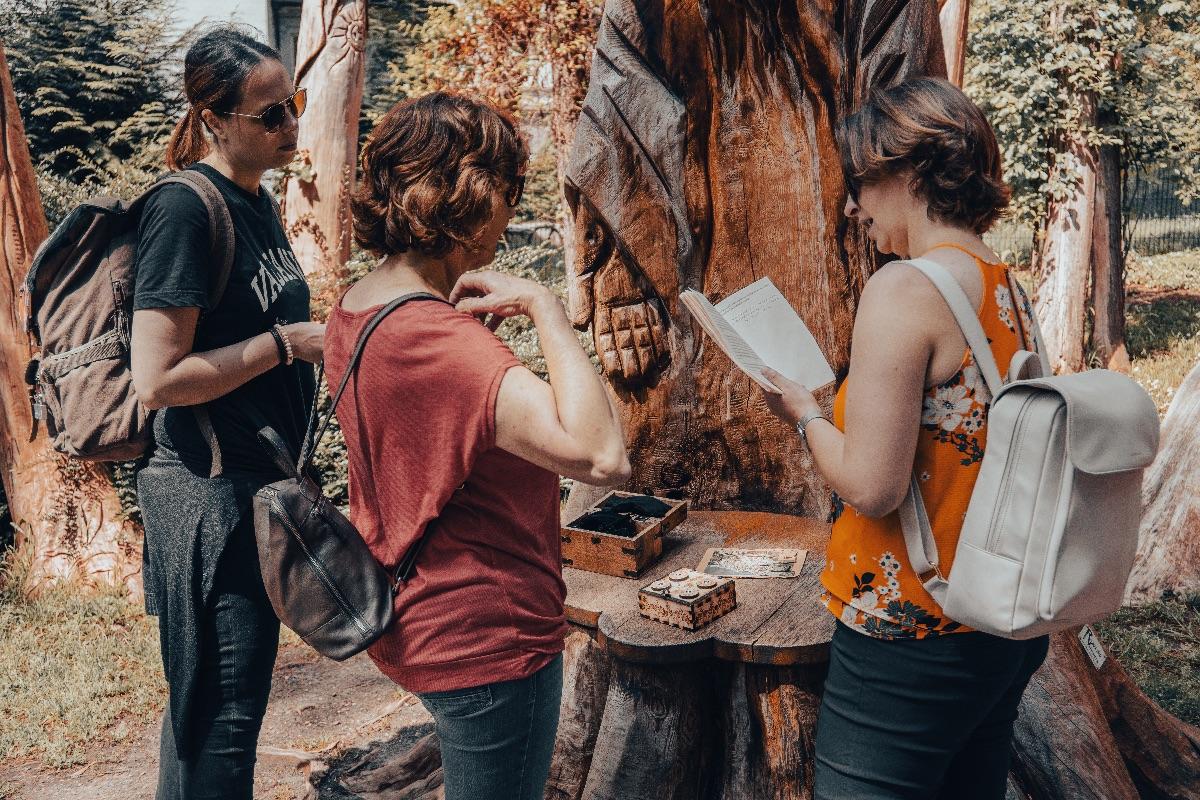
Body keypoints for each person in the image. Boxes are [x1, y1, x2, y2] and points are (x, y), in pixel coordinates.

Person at [326, 91, 630, 800]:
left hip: (415, 613)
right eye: (509, 188)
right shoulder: (442, 341)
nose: (511, 210)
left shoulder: (359, 305)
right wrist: (545, 308)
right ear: (468, 193)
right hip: (488, 636)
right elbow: (602, 455)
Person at [758, 77, 1050, 800]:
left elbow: (873, 485)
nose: (852, 205)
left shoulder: (904, 288)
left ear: (912, 170)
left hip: (910, 628)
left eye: (860, 181)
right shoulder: (1004, 284)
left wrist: (803, 414)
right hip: (1000, 620)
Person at [130, 26, 324, 800]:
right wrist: (284, 345)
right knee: (223, 720)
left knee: (210, 716)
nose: (291, 127)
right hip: (210, 501)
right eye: (269, 115)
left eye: (294, 105)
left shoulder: (258, 201)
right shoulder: (184, 209)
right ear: (213, 117)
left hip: (255, 488)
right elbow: (157, 378)